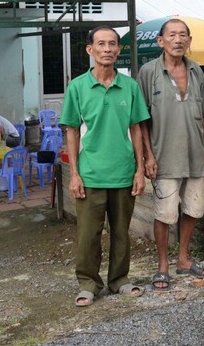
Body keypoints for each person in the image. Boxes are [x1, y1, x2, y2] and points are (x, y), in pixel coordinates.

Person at [60, 26, 151, 307]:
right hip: (90, 174)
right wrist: (74, 174)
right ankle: (88, 283)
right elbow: (72, 132)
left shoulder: (130, 86)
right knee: (88, 235)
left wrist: (139, 169)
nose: (108, 49)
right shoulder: (77, 87)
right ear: (90, 50)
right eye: (101, 44)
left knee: (122, 233)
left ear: (118, 50)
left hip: (123, 172)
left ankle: (119, 280)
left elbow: (137, 128)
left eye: (113, 44)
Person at [138, 19, 204, 290]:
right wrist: (148, 156)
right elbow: (141, 119)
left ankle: (183, 260)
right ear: (161, 41)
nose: (178, 40)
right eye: (172, 35)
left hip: (195, 155)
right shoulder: (148, 72)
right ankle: (162, 266)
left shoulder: (195, 71)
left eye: (183, 35)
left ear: (189, 40)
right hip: (164, 156)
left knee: (193, 210)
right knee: (165, 213)